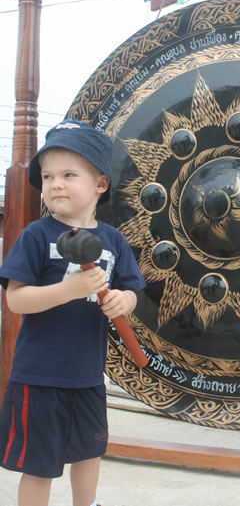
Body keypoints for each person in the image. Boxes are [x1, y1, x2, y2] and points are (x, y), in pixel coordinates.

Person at [0, 119, 146, 506]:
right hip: (39, 375)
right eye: (47, 177)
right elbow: (16, 300)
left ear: (100, 184)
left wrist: (122, 301)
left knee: (88, 452)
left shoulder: (113, 240)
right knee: (40, 463)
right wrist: (69, 289)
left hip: (87, 375)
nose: (55, 184)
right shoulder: (36, 235)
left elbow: (132, 290)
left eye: (68, 174)